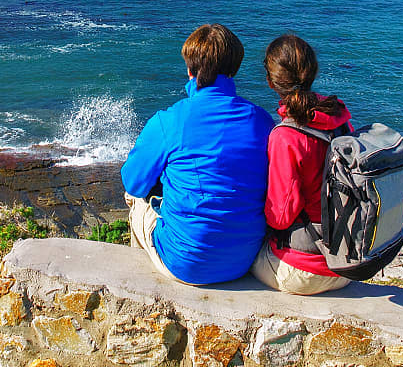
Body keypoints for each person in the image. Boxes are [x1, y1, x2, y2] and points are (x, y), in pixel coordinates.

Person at [121, 23, 276, 285]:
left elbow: (133, 182)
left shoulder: (169, 120)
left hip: (185, 263)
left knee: (135, 198)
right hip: (243, 259)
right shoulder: (262, 121)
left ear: (190, 69)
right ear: (234, 69)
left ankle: (140, 286)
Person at [250, 34, 354, 295]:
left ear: (270, 82)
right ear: (313, 72)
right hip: (346, 264)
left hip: (305, 270)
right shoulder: (339, 118)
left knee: (235, 256)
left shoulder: (285, 137)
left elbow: (280, 217)